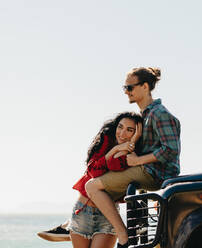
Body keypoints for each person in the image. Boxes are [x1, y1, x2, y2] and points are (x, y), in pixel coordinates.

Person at [85, 67, 181, 248]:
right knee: (94, 183)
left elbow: (171, 150)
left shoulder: (158, 113)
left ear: (145, 87)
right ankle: (77, 223)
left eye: (130, 87)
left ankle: (123, 237)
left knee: (92, 186)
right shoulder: (145, 116)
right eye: (125, 88)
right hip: (147, 171)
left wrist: (138, 161)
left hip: (156, 173)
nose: (126, 92)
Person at [39, 112, 143, 248]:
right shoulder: (106, 139)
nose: (122, 133)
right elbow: (94, 171)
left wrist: (130, 145)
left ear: (137, 134)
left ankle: (66, 226)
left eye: (130, 130)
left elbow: (114, 166)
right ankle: (69, 225)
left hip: (108, 217)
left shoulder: (134, 155)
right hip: (82, 212)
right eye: (120, 127)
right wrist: (116, 149)